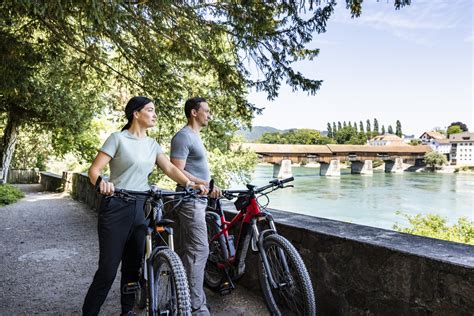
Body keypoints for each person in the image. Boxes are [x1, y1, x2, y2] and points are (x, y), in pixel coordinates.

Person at [82, 96, 207, 316]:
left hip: (141, 208)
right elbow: (94, 171)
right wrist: (103, 183)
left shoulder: (152, 144)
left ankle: (127, 311)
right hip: (116, 207)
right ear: (136, 114)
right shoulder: (117, 139)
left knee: (133, 268)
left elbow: (169, 168)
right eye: (150, 110)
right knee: (108, 270)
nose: (154, 114)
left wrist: (190, 183)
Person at [170, 97, 221, 315]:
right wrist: (202, 184)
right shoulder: (183, 136)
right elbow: (176, 170)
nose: (209, 115)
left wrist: (210, 186)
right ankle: (197, 309)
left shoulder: (195, 137)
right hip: (189, 200)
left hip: (199, 199)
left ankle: (179, 300)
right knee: (199, 251)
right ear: (194, 112)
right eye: (206, 111)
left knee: (188, 252)